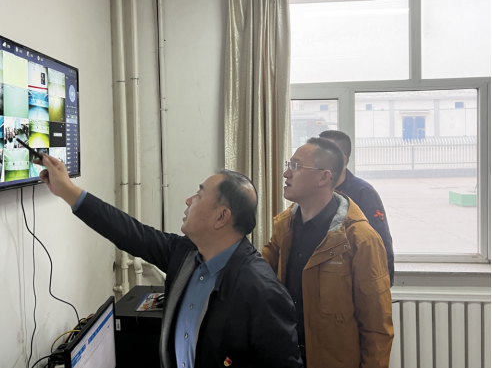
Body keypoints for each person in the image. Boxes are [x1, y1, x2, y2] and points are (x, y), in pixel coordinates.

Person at [35, 154, 303, 368]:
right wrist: (67, 190)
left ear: (221, 217)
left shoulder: (261, 291)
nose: (188, 200)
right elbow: (128, 232)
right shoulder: (186, 253)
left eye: (199, 195)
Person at [262, 138, 393, 368]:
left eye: (296, 166)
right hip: (286, 356)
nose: (286, 173)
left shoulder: (360, 239)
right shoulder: (285, 227)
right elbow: (261, 277)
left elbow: (376, 329)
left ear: (324, 177)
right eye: (288, 165)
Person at [319, 130, 395, 285]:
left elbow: (380, 242)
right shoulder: (314, 190)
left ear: (343, 160)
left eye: (323, 155)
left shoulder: (363, 193)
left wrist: (382, 285)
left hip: (354, 282)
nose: (316, 160)